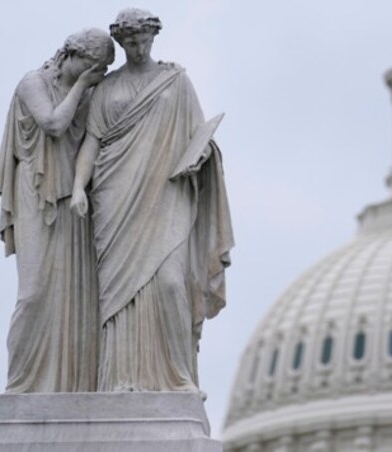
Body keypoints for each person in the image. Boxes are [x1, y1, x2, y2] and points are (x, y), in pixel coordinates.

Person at [71, 8, 234, 392]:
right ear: (121, 43)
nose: (138, 46)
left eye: (143, 39)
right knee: (118, 294)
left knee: (170, 284)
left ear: (153, 38)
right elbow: (91, 143)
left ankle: (178, 378)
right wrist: (79, 186)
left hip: (167, 193)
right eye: (130, 42)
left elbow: (199, 135)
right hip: (115, 197)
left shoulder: (176, 82)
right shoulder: (106, 89)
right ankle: (120, 379)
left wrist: (202, 155)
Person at [0, 28, 115, 393]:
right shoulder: (33, 82)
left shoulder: (92, 93)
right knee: (33, 293)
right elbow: (53, 125)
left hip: (74, 200)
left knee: (75, 297)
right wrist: (82, 86)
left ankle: (72, 386)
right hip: (36, 192)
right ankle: (21, 385)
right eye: (92, 66)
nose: (97, 75)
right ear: (70, 55)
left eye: (103, 70)